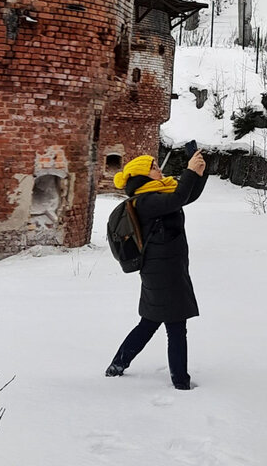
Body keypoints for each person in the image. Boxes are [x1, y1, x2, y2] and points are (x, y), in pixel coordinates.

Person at [106, 149, 207, 390]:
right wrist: (190, 172)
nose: (158, 169)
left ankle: (118, 365)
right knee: (176, 325)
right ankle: (181, 382)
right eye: (153, 167)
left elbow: (186, 196)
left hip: (165, 269)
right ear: (142, 175)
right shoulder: (146, 201)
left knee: (150, 322)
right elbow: (178, 198)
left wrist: (198, 175)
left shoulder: (157, 196)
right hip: (163, 272)